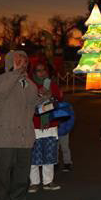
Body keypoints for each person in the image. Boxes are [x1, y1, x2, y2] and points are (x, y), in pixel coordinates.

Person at [0, 50, 41, 200]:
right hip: (6, 135)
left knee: (22, 169)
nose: (23, 63)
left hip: (24, 135)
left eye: (25, 61)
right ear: (10, 62)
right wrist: (15, 72)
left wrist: (44, 98)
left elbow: (33, 104)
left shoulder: (30, 84)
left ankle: (19, 199)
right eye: (19, 60)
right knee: (4, 169)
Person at [28, 61, 61, 192]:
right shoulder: (30, 85)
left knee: (49, 153)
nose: (41, 73)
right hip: (34, 125)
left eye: (43, 70)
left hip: (50, 125)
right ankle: (34, 182)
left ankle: (48, 181)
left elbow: (59, 100)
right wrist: (38, 95)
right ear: (34, 72)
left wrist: (50, 95)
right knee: (34, 155)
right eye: (38, 70)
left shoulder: (51, 84)